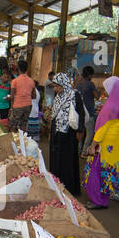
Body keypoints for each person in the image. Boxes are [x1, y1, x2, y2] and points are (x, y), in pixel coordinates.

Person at [83, 76, 119, 208]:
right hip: (115, 144)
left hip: (104, 144)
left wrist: (93, 144)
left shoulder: (111, 106)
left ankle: (96, 200)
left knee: (95, 170)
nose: (105, 92)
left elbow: (102, 129)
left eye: (107, 89)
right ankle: (103, 200)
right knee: (107, 170)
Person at [48, 68, 82, 197]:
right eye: (55, 86)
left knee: (67, 161)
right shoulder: (58, 97)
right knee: (56, 159)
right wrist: (51, 131)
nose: (56, 89)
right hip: (57, 132)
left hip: (69, 134)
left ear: (64, 84)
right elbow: (54, 115)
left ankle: (69, 188)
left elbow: (81, 114)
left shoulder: (74, 95)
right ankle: (57, 185)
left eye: (57, 86)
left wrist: (80, 131)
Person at [9, 60, 37, 133]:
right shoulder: (31, 81)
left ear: (18, 68)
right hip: (28, 105)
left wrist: (11, 108)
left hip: (17, 106)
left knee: (13, 126)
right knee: (24, 125)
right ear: (27, 69)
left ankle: (15, 142)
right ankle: (23, 141)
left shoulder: (15, 81)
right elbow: (34, 96)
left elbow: (12, 97)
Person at [75, 66, 98, 149]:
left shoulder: (79, 85)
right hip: (89, 112)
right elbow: (97, 96)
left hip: (80, 113)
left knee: (81, 131)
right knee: (90, 133)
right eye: (92, 75)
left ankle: (78, 150)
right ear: (89, 75)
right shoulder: (91, 84)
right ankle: (85, 151)